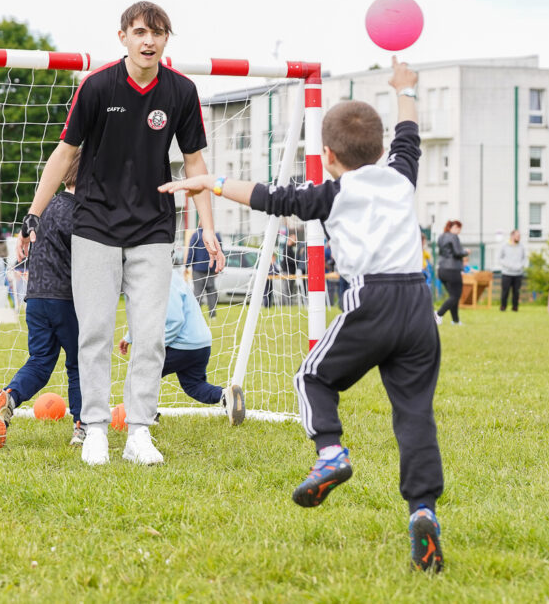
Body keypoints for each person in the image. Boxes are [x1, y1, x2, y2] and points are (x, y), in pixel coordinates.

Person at [160, 57, 445, 572]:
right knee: (415, 415)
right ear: (381, 151)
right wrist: (407, 89)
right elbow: (410, 133)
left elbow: (271, 198)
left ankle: (331, 454)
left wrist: (210, 184)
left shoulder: (332, 194)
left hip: (373, 301)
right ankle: (422, 510)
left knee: (312, 376)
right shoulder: (402, 176)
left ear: (328, 155)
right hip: (419, 310)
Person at [21, 1, 224, 467]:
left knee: (150, 336)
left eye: (157, 33)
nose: (148, 40)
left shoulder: (181, 92)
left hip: (153, 228)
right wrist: (33, 216)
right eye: (139, 32)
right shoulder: (96, 86)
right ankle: (93, 430)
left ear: (167, 40)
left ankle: (138, 432)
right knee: (94, 331)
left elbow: (195, 164)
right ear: (123, 37)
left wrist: (208, 228)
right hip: (94, 226)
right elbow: (64, 152)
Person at [0, 155, 85, 448]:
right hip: (64, 297)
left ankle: (9, 397)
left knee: (41, 361)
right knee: (79, 363)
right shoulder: (78, 212)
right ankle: (82, 426)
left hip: (36, 298)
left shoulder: (45, 207)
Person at [118, 269, 245, 422]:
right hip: (200, 344)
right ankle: (225, 395)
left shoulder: (163, 278)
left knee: (142, 371)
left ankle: (146, 416)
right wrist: (130, 336)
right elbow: (145, 313)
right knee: (194, 385)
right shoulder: (166, 275)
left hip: (183, 343)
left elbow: (175, 320)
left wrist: (152, 346)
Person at [186, 227, 222, 318]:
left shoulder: (196, 235)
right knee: (211, 291)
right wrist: (218, 267)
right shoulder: (215, 235)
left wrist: (187, 265)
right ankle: (212, 315)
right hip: (210, 268)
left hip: (198, 269)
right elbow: (220, 251)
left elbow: (191, 250)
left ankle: (196, 315)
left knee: (198, 292)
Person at [436, 220, 468, 325]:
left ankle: (455, 320)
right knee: (456, 296)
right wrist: (466, 252)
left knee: (452, 296)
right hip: (452, 269)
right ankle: (438, 314)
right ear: (452, 228)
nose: (459, 230)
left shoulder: (441, 237)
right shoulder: (453, 237)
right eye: (458, 228)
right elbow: (458, 252)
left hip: (442, 270)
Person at [498, 229, 525, 312]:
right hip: (507, 273)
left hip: (518, 273)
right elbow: (500, 258)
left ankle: (515, 307)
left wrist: (520, 266)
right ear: (512, 236)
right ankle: (503, 306)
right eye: (517, 236)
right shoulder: (504, 246)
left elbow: (524, 258)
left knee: (516, 292)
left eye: (519, 236)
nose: (519, 237)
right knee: (505, 291)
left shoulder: (521, 246)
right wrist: (507, 265)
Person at [280, 231, 300, 306]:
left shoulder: (291, 248)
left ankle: (288, 304)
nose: (296, 241)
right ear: (291, 239)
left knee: (289, 289)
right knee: (286, 289)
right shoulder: (286, 248)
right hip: (286, 272)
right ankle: (286, 304)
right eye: (295, 239)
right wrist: (296, 261)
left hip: (291, 272)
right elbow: (287, 260)